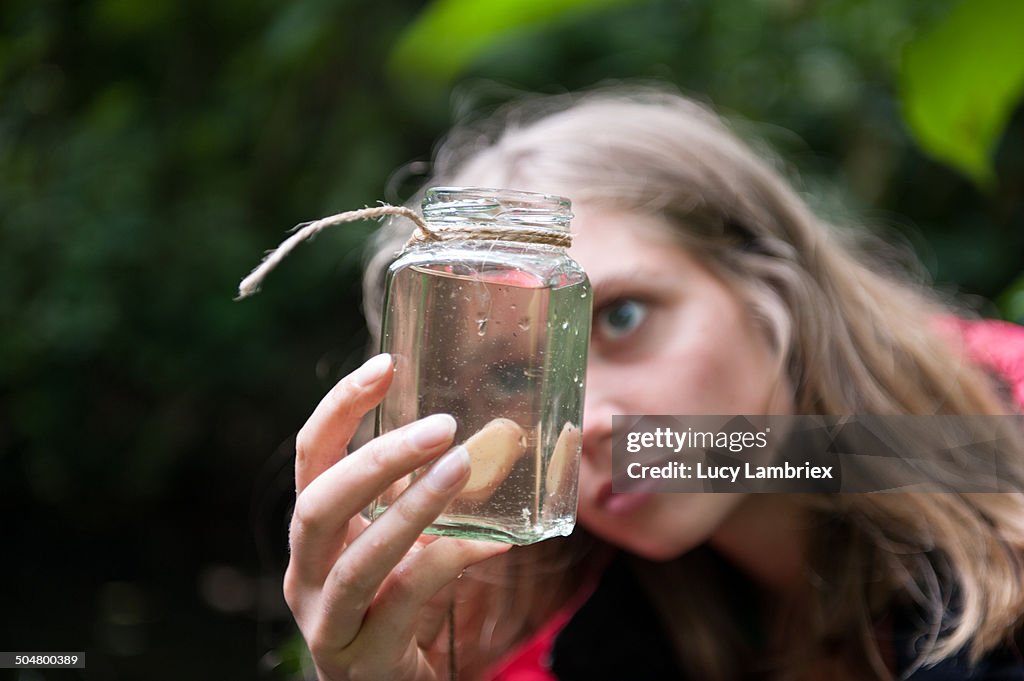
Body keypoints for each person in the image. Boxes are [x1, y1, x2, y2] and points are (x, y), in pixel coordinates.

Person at [281, 86, 1024, 680]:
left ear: (772, 283)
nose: (591, 420)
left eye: (624, 316)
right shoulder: (532, 629)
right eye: (512, 376)